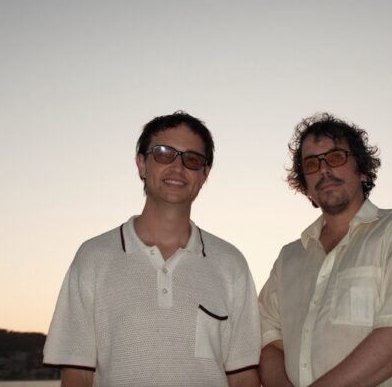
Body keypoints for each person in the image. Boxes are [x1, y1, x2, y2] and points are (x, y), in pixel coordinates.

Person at [43, 111, 261, 387]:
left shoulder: (231, 264)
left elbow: (242, 376)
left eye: (192, 159)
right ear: (141, 164)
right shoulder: (93, 258)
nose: (178, 167)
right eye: (163, 153)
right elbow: (78, 374)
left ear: (204, 174)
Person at [259, 113, 392, 387]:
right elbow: (269, 339)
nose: (324, 169)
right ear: (305, 186)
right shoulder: (288, 259)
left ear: (362, 169)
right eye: (311, 163)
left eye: (336, 157)